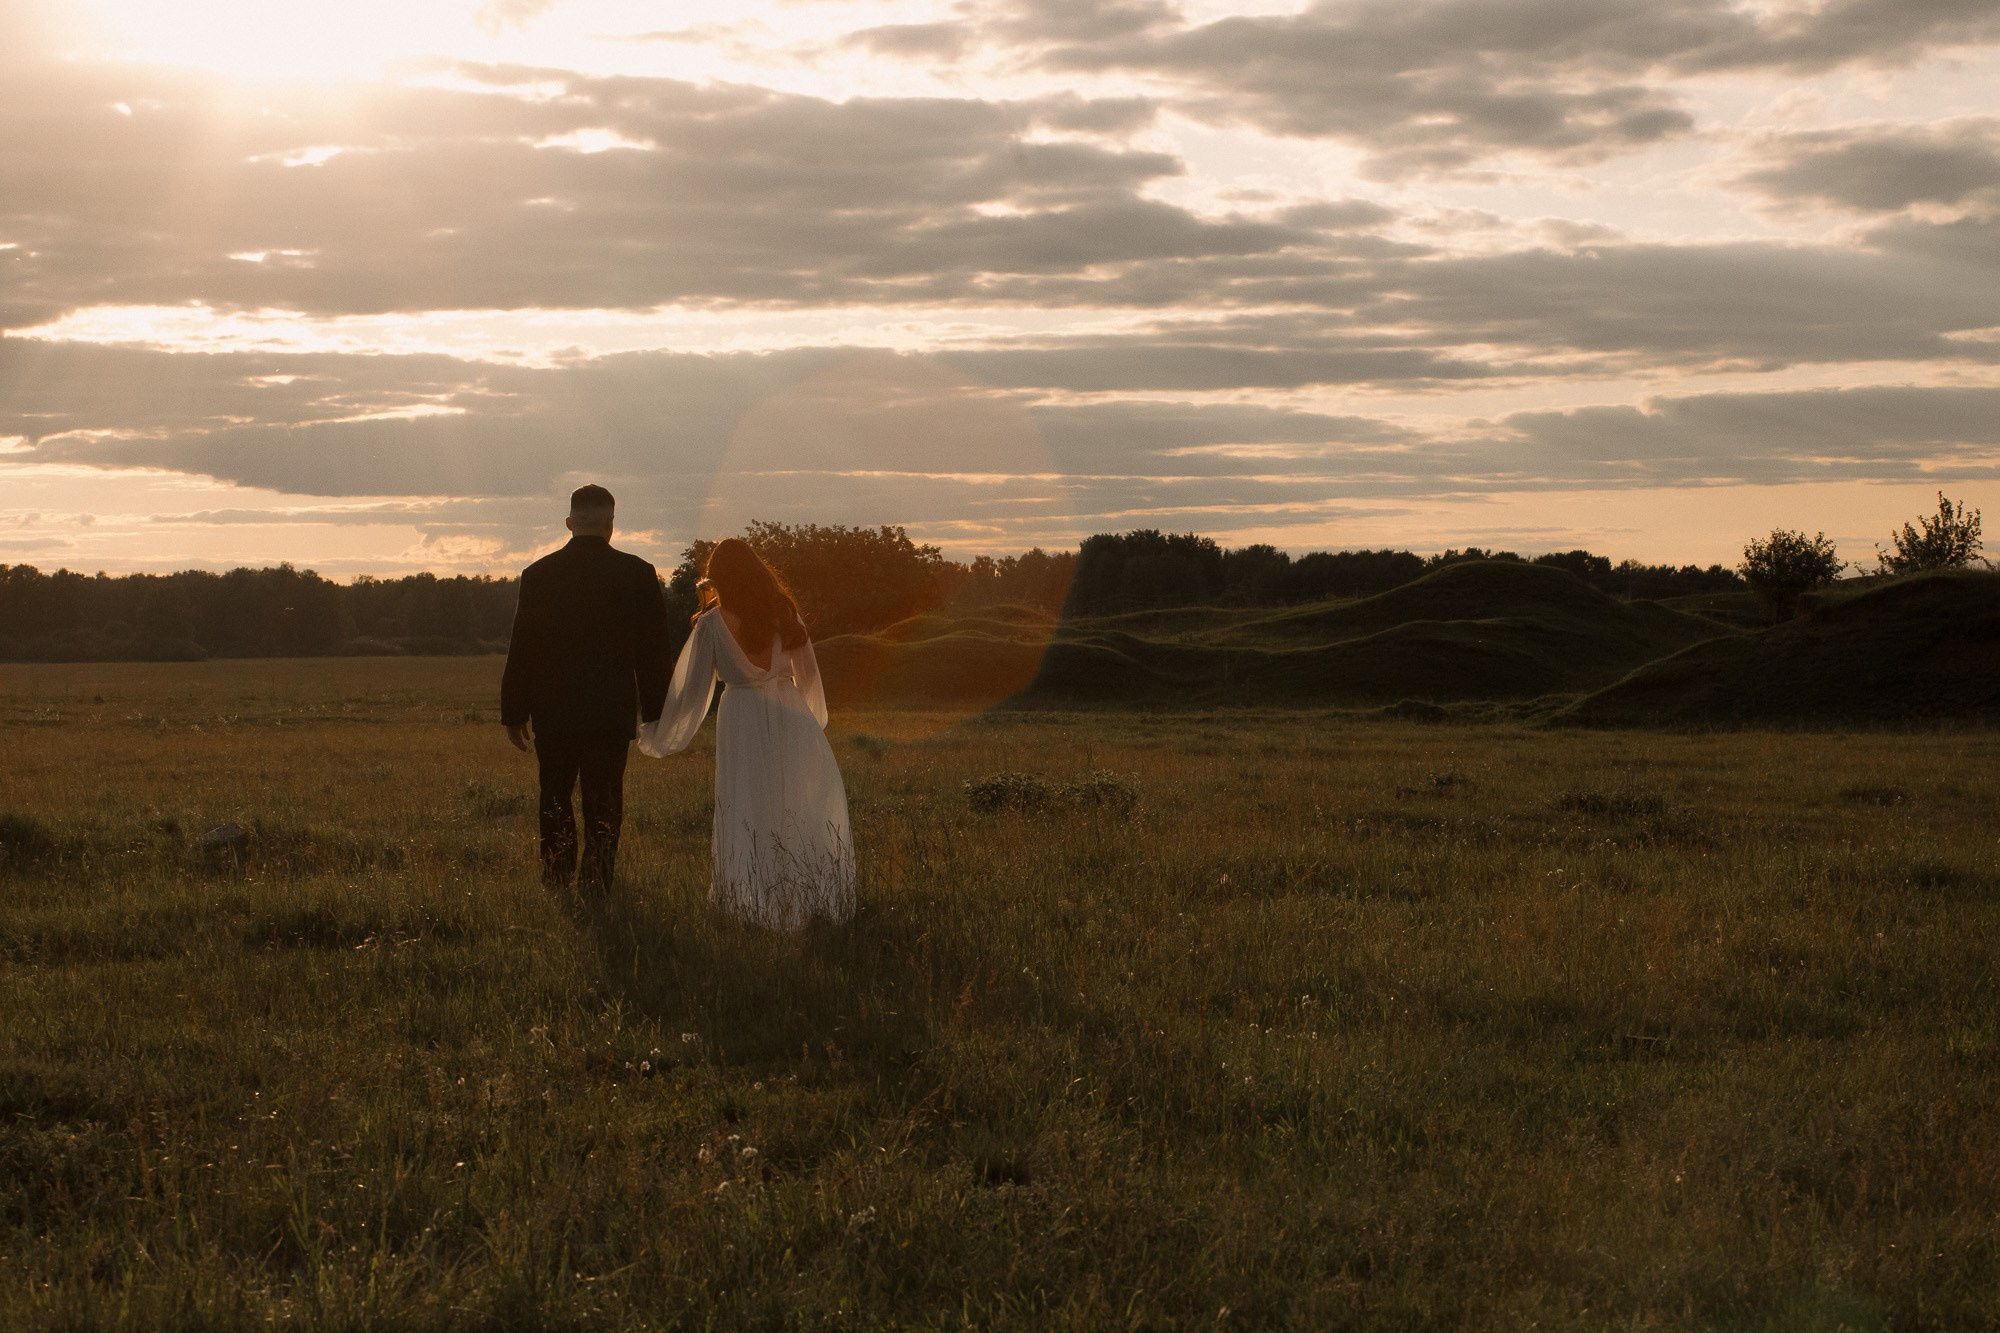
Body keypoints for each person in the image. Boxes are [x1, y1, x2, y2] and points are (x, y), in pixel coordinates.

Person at [638, 538, 854, 930]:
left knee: (748, 803)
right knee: (795, 805)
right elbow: (810, 681)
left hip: (742, 718)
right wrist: (809, 725)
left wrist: (659, 732)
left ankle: (752, 900)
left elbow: (691, 693)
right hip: (792, 716)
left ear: (717, 578)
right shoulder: (785, 615)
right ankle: (804, 896)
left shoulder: (710, 625)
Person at [500, 485, 670, 894]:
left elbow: (523, 646)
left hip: (553, 712)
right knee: (605, 802)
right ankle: (596, 883)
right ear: (612, 524)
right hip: (610, 713)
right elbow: (654, 652)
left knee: (554, 798)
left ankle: (556, 880)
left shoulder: (538, 574)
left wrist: (513, 712)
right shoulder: (637, 573)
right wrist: (656, 712)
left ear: (570, 523)